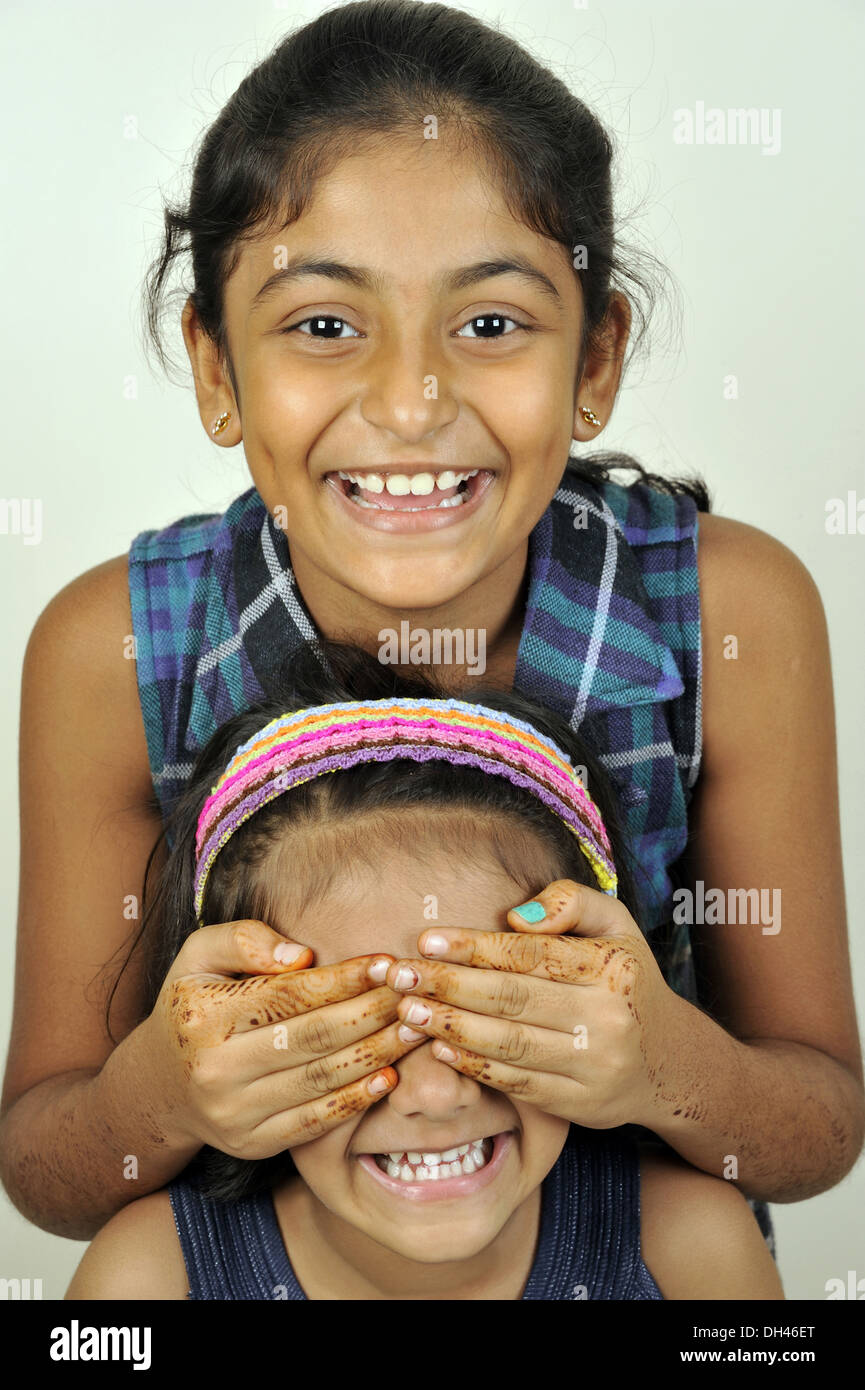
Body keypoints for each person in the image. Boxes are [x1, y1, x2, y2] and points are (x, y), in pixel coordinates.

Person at [2, 2, 861, 1253]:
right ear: (215, 370)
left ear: (596, 356)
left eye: (493, 324)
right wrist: (167, 1094)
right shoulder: (117, 648)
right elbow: (48, 1167)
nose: (410, 403)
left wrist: (656, 1063)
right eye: (324, 325)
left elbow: (819, 1128)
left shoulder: (727, 616)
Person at [66, 642, 783, 1300]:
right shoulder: (147, 1278)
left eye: (496, 1014)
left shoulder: (693, 1251)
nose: (436, 1098)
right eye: (358, 1027)